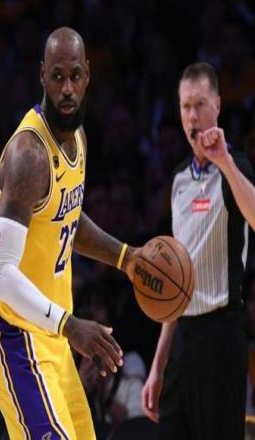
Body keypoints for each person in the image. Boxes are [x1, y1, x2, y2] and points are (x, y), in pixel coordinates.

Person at [0, 27, 141, 439]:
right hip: (14, 336)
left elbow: (65, 217)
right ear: (42, 76)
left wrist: (126, 258)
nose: (67, 89)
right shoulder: (29, 156)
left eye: (75, 76)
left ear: (87, 75)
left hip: (52, 338)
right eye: (57, 77)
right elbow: (0, 277)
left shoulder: (77, 137)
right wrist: (71, 326)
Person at [141, 62, 255, 440]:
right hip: (182, 339)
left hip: (222, 334)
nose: (192, 115)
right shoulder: (177, 180)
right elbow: (175, 279)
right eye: (186, 106)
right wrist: (158, 366)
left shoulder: (236, 167)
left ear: (217, 106)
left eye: (200, 104)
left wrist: (224, 161)